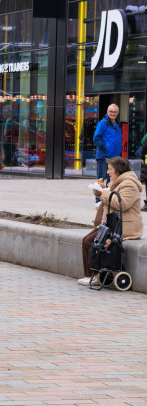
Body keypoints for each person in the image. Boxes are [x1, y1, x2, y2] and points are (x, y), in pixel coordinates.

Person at [78, 156, 143, 286]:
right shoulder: (118, 182)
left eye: (110, 169)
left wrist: (103, 193)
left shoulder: (129, 184)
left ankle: (94, 275)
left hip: (125, 226)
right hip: (113, 223)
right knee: (88, 239)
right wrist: (100, 192)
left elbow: (122, 204)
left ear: (118, 170)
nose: (107, 172)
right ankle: (92, 275)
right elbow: (110, 198)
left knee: (91, 241)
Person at [93, 104, 122, 201]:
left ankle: (108, 199)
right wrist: (106, 148)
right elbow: (96, 138)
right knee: (101, 177)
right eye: (111, 111)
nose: (112, 114)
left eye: (114, 112)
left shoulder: (117, 124)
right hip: (104, 156)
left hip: (114, 157)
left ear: (117, 113)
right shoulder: (103, 123)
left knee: (112, 179)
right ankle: (98, 201)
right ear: (107, 112)